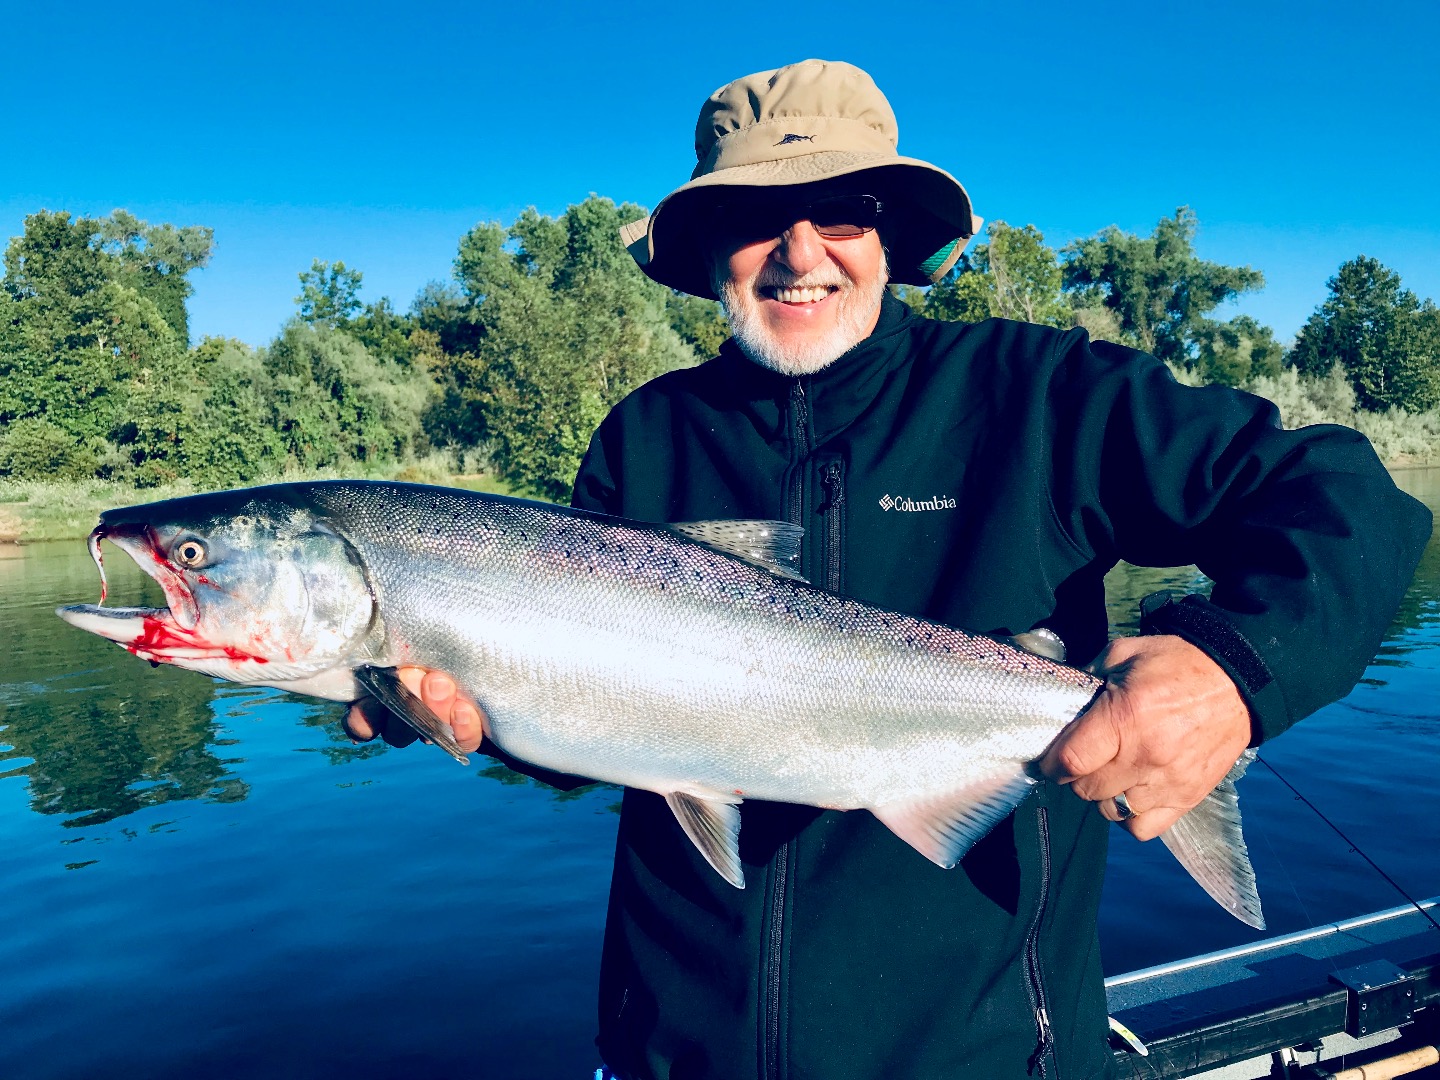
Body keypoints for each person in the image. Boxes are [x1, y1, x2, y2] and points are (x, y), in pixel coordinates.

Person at [346, 59, 1432, 1079]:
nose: (801, 249)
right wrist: (482, 712)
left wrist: (1233, 673)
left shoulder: (1039, 393)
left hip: (981, 1055)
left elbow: (1346, 498)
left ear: (892, 233)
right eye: (756, 214)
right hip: (671, 1049)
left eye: (843, 210)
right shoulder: (647, 436)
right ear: (710, 244)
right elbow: (606, 739)